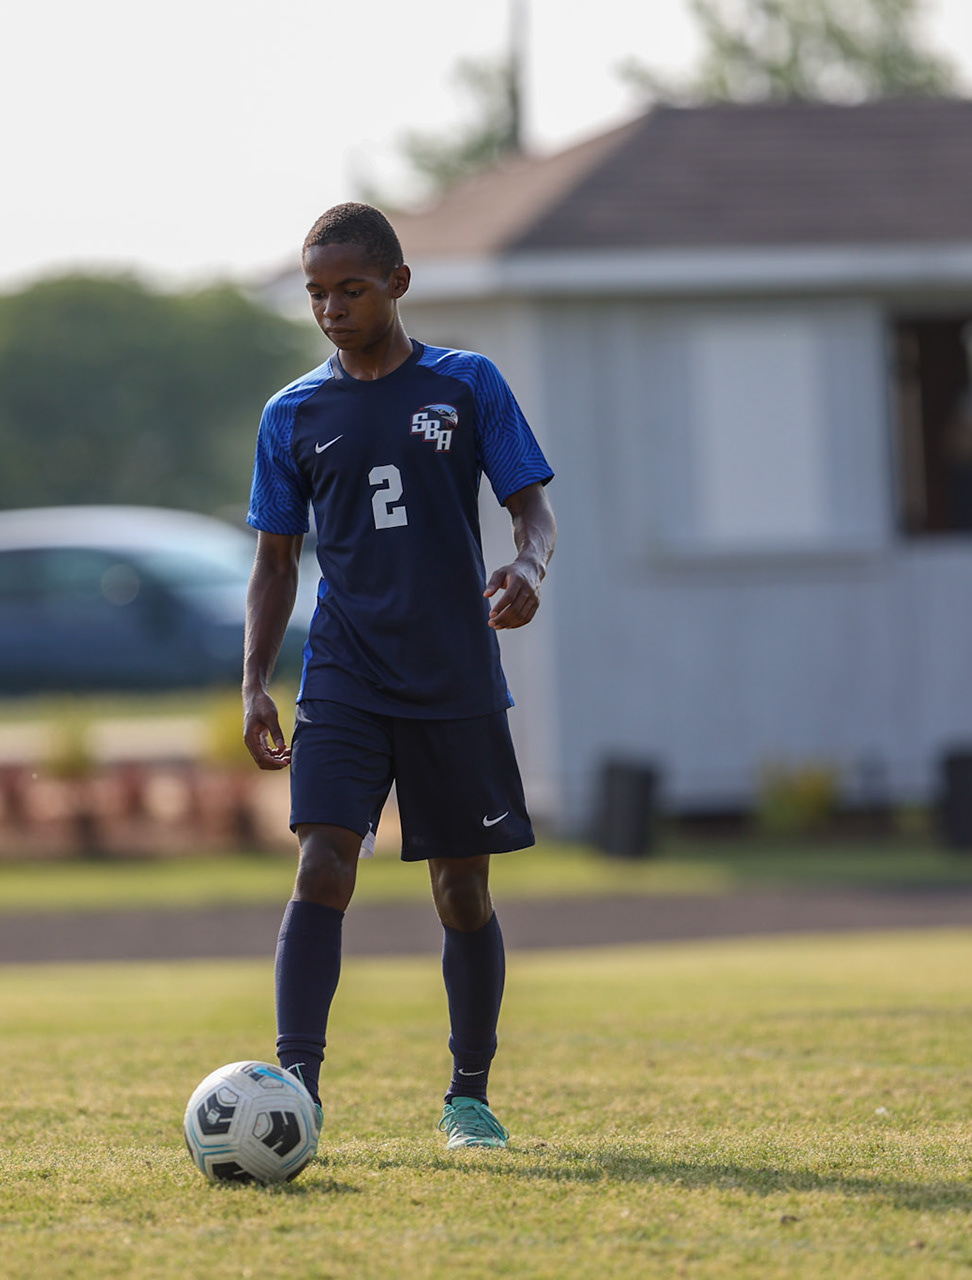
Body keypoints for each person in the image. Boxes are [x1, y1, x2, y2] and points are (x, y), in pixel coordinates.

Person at [241, 202, 557, 1151]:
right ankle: (296, 1087)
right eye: (317, 294)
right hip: (343, 672)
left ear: (397, 285)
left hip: (455, 673)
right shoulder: (291, 413)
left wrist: (529, 568)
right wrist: (255, 679)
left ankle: (469, 1097)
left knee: (462, 892)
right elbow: (275, 563)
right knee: (322, 863)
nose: (332, 308)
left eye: (351, 289)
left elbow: (530, 511)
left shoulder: (467, 387)